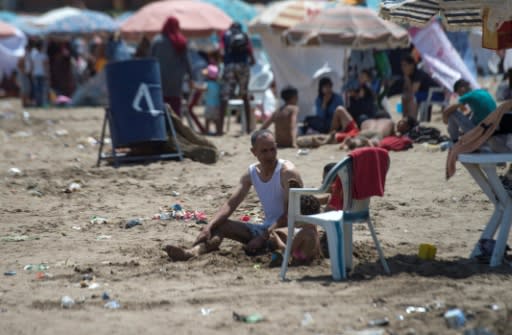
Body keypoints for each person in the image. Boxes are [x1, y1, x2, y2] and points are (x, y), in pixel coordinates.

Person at [163, 129, 304, 261]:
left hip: (290, 230)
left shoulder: (287, 173)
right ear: (254, 152)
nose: (270, 155)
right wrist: (209, 227)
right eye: (264, 151)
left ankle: (264, 247)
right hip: (266, 229)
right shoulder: (252, 173)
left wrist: (262, 238)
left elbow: (289, 214)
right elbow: (231, 204)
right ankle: (193, 252)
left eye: (273, 149)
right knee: (219, 225)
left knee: (274, 239)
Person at [151, 16, 193, 117]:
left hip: (159, 77)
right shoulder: (181, 41)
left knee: (161, 101)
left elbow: (150, 59)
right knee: (175, 101)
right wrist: (191, 76)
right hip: (176, 78)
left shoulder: (157, 40)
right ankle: (176, 127)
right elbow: (187, 61)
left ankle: (164, 126)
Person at [218, 22, 256, 135]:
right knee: (245, 96)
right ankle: (248, 129)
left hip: (229, 65)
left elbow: (221, 52)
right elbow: (252, 58)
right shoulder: (245, 35)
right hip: (243, 66)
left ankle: (219, 130)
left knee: (225, 97)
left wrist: (225, 61)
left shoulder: (225, 35)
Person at [442, 79, 497, 143]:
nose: (460, 96)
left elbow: (447, 110)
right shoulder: (482, 92)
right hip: (492, 129)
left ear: (461, 89)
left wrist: (445, 120)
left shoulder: (468, 96)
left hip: (480, 132)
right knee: (470, 114)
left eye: (459, 94)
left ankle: (454, 140)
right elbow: (477, 112)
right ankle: (460, 135)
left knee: (452, 113)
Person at [401, 55, 442, 122]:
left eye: (405, 65)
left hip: (436, 94)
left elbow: (413, 91)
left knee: (413, 97)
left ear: (412, 65)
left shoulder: (418, 74)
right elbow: (406, 90)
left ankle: (412, 121)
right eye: (402, 65)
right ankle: (405, 120)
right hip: (425, 93)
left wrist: (407, 79)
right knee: (404, 97)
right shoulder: (410, 75)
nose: (403, 68)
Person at [201, 64, 221, 134]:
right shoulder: (218, 84)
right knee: (216, 120)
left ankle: (206, 131)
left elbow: (203, 89)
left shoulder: (207, 83)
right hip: (217, 105)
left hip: (209, 105)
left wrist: (194, 86)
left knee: (207, 119)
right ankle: (218, 131)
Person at [31, 40, 49, 107]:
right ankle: (41, 103)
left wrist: (32, 73)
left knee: (36, 90)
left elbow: (32, 65)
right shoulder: (44, 55)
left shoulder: (34, 55)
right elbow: (45, 66)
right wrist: (47, 75)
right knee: (42, 90)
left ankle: (37, 103)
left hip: (35, 74)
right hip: (42, 74)